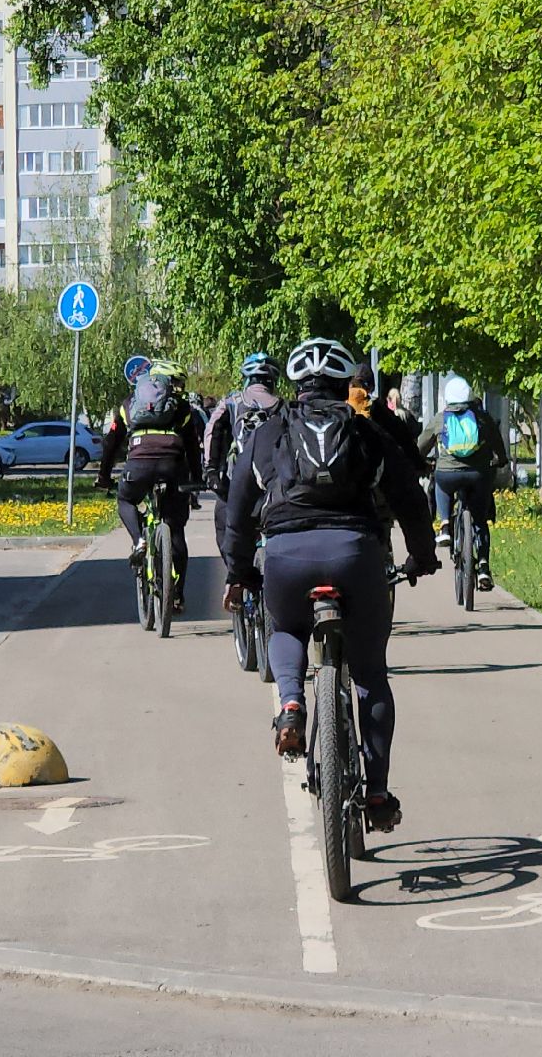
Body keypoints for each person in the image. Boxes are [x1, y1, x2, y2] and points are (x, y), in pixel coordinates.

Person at [220, 337, 438, 832]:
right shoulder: (367, 433)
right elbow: (409, 499)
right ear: (346, 385)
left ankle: (292, 706)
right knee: (370, 674)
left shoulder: (269, 433)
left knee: (286, 629)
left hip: (287, 557)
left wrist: (238, 572)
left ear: (294, 385)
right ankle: (378, 796)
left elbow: (236, 513)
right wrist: (421, 558)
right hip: (356, 555)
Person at [115, 359, 205, 613]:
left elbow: (112, 441)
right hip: (174, 469)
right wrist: (196, 480)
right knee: (176, 530)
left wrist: (103, 476)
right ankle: (177, 595)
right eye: (177, 382)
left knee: (126, 499)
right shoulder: (184, 409)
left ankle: (139, 542)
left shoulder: (131, 405)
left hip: (138, 468)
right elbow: (192, 449)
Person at [416, 376, 507, 591]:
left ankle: (445, 525)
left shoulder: (441, 419)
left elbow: (419, 447)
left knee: (441, 481)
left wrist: (423, 462)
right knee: (480, 522)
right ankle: (484, 566)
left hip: (448, 474)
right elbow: (499, 448)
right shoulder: (483, 418)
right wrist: (500, 460)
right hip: (479, 475)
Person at [204, 352, 287, 551]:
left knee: (226, 528)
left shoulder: (232, 402)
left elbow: (212, 432)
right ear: (273, 381)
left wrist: (211, 470)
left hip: (237, 481)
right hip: (273, 482)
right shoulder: (283, 406)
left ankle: (237, 577)